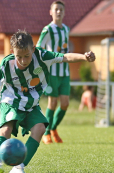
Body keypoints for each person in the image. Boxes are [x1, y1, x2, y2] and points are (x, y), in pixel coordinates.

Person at [0, 30, 96, 173]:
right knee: (6, 129)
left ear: (33, 49)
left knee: (40, 128)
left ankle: (18, 168)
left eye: (27, 56)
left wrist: (84, 57)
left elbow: (65, 57)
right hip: (11, 101)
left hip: (31, 104)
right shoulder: (6, 64)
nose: (23, 60)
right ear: (13, 52)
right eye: (19, 57)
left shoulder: (42, 56)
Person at [36, 1, 71, 144]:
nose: (58, 12)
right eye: (56, 9)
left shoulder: (66, 29)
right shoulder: (48, 29)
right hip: (52, 72)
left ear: (64, 12)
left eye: (61, 10)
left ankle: (53, 128)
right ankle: (46, 133)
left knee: (65, 104)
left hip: (65, 72)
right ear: (51, 12)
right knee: (52, 102)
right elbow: (39, 47)